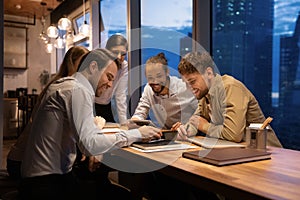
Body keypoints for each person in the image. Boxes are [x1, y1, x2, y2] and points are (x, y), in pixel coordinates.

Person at [18, 48, 162, 199]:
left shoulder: (68, 85)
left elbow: (88, 133)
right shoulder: (77, 89)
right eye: (109, 77)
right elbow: (89, 144)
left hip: (47, 178)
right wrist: (138, 134)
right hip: (46, 185)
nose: (110, 85)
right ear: (93, 67)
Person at [6, 46, 90, 180]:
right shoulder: (68, 89)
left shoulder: (56, 85)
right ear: (72, 64)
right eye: (83, 63)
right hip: (21, 162)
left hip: (23, 160)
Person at [173, 51, 282, 147]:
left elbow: (232, 134)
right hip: (240, 152)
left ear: (209, 73)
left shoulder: (230, 87)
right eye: (186, 83)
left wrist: (204, 126)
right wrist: (183, 131)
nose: (189, 88)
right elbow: (195, 122)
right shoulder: (204, 94)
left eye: (192, 82)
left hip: (268, 154)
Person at [131, 52, 198, 130]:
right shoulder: (148, 89)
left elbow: (201, 113)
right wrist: (135, 121)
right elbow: (140, 112)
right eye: (150, 77)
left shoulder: (184, 87)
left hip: (189, 134)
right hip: (165, 135)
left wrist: (188, 125)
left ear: (167, 72)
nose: (155, 81)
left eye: (159, 76)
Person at [94, 34, 129, 124]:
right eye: (115, 52)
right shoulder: (99, 63)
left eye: (123, 54)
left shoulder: (124, 66)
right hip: (91, 103)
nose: (118, 57)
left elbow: (120, 95)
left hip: (106, 105)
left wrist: (124, 123)